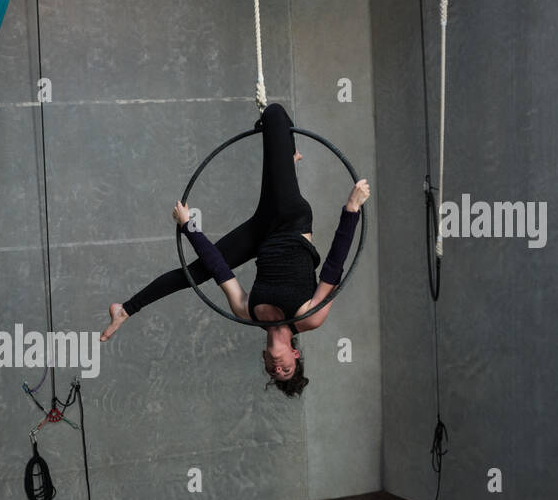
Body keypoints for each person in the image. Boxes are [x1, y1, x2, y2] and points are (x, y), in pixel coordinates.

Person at [101, 103, 370, 397]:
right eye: (286, 370)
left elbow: (219, 268)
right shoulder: (309, 318)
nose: (277, 368)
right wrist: (352, 209)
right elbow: (333, 268)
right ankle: (286, 157)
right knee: (274, 114)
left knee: (194, 274)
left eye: (272, 371)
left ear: (265, 360)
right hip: (290, 220)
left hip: (261, 234)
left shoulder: (247, 313)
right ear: (296, 356)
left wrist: (188, 226)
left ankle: (125, 310)